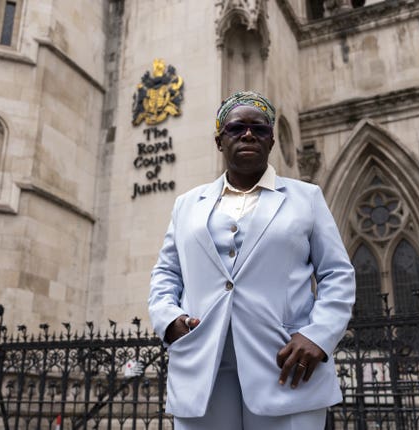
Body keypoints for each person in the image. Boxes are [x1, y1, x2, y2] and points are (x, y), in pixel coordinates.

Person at [148, 91, 355, 429]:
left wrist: (319, 335)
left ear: (271, 140)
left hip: (285, 367)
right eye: (236, 128)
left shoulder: (306, 199)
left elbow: (337, 273)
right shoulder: (187, 205)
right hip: (202, 369)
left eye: (259, 129)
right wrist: (168, 320)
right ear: (219, 140)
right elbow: (166, 274)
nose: (248, 134)